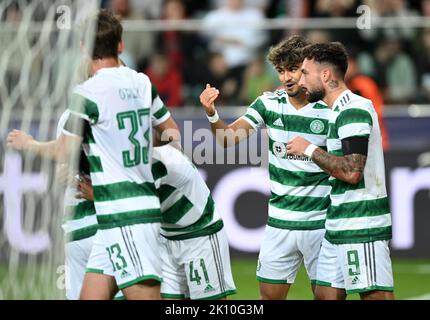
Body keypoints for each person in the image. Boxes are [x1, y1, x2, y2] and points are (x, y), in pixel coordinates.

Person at [7, 10, 180, 300]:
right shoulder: (141, 82)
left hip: (127, 214)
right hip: (113, 218)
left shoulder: (86, 93)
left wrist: (30, 144)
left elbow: (64, 150)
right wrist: (133, 146)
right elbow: (173, 136)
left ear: (82, 48)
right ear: (120, 45)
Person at [199, 35, 331, 300]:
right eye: (281, 71)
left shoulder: (330, 108)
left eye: (292, 69)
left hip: (321, 222)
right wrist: (211, 113)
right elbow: (227, 139)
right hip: (280, 224)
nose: (286, 77)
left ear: (307, 68)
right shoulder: (269, 104)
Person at [287, 42, 394, 300]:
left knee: (375, 296)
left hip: (362, 222)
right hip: (338, 222)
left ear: (325, 75)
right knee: (325, 295)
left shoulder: (353, 110)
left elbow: (352, 171)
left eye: (305, 73)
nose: (301, 80)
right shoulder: (336, 111)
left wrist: (310, 150)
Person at [79, 143, 237, 300]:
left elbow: (139, 208)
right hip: (164, 237)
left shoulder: (155, 163)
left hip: (199, 235)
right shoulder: (130, 158)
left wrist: (98, 196)